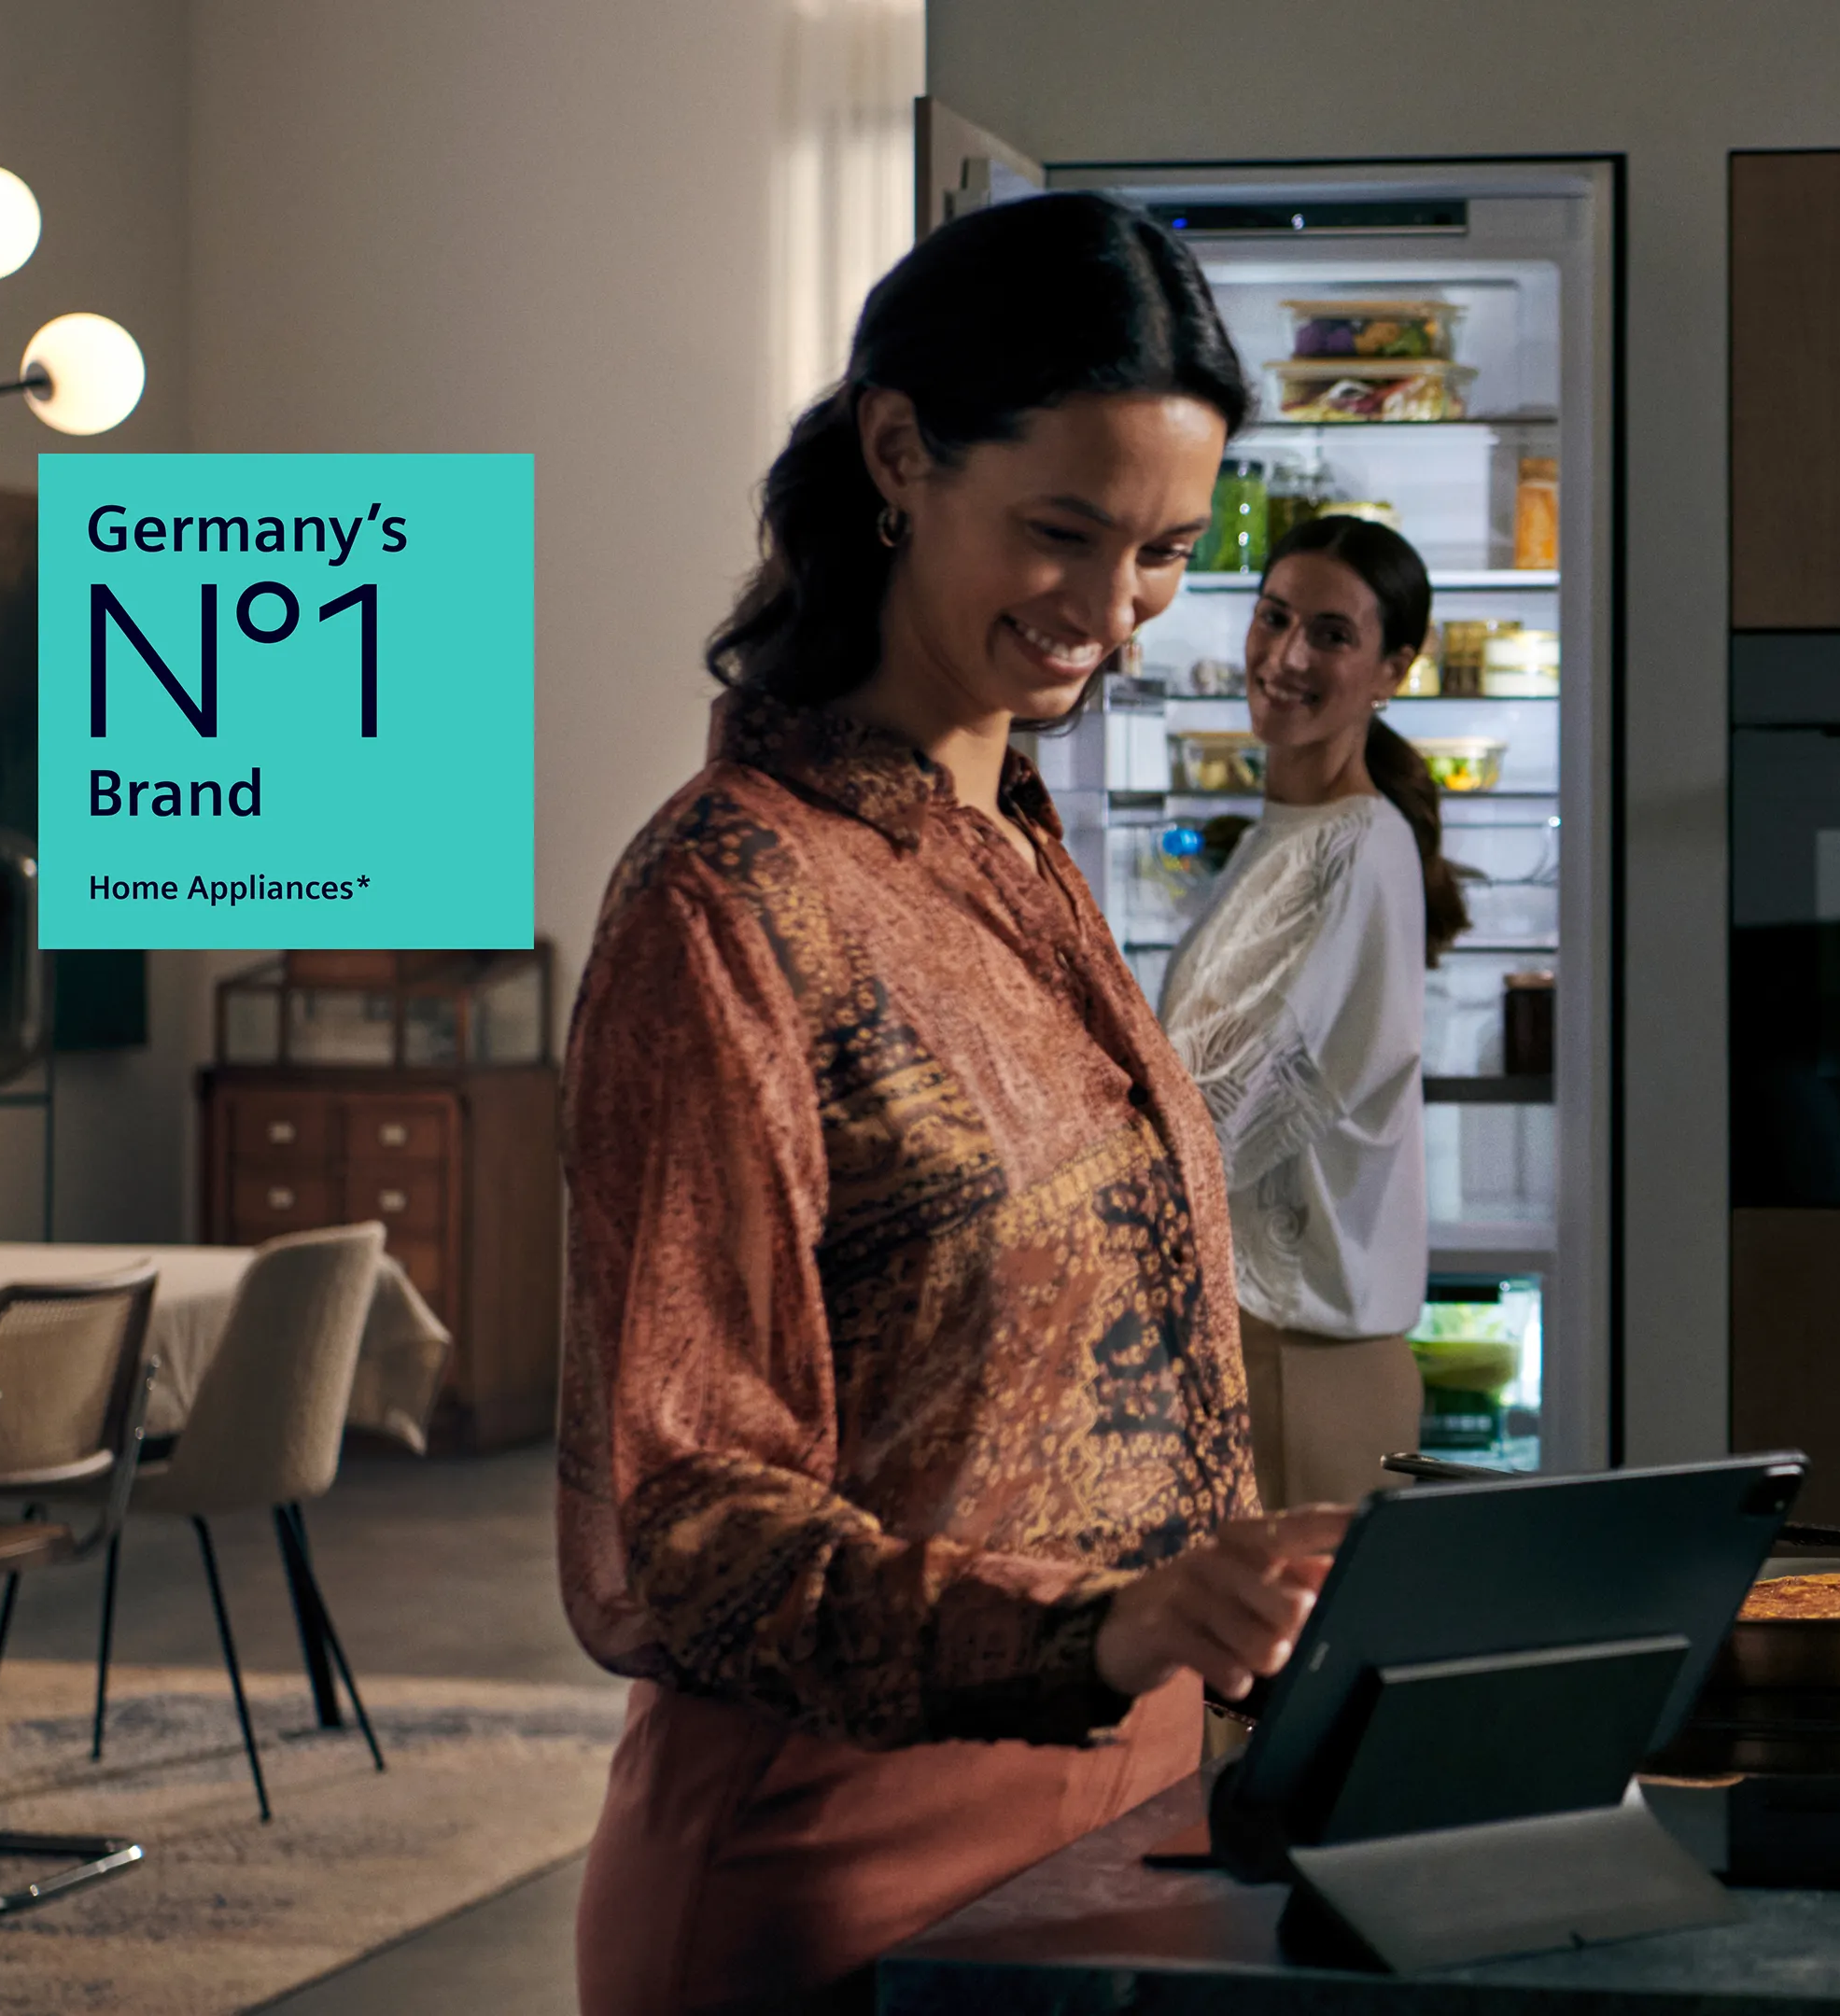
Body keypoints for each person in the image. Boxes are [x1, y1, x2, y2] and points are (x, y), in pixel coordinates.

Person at [557, 193, 1349, 2016]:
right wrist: (1099, 1628)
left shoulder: (1023, 850)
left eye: (1160, 554)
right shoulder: (725, 903)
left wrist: (1214, 1601)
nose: (1112, 620)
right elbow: (683, 1527)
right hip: (838, 1881)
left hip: (1128, 1838)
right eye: (1060, 534)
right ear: (901, 453)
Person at [1157, 513, 1470, 1505]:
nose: (1287, 656)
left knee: (1275, 1664)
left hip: (1301, 1364)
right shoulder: (1291, 833)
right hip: (1264, 1350)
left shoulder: (1348, 848)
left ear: (1394, 670)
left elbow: (1204, 1117)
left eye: (1332, 634)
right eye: (1273, 617)